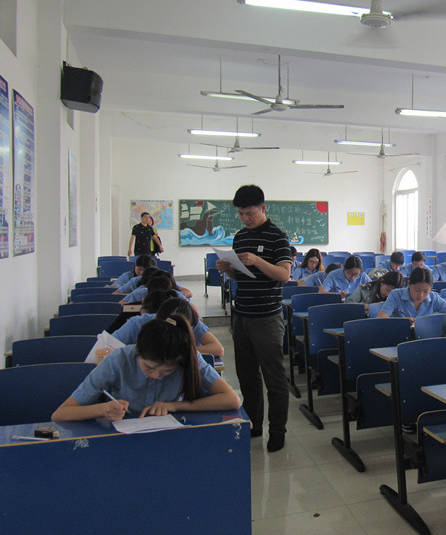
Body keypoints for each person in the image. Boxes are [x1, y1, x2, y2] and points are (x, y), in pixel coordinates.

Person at [216, 184, 292, 452]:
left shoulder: (278, 237)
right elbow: (240, 276)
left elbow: (284, 275)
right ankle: (254, 423)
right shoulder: (239, 237)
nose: (245, 219)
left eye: (249, 213)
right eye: (240, 214)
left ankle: (278, 430)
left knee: (274, 378)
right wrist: (228, 269)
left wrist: (258, 260)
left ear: (263, 208)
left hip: (267, 318)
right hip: (242, 315)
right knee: (246, 376)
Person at [51, 316, 240, 421]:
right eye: (149, 368)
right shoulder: (118, 360)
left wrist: (174, 405)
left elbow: (232, 400)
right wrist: (102, 409)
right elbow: (60, 414)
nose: (156, 376)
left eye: (168, 371)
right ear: (138, 352)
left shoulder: (189, 358)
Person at [378, 267, 446, 321]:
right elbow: (381, 318)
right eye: (417, 290)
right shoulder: (396, 295)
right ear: (409, 284)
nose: (421, 295)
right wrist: (401, 322)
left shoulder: (433, 297)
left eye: (426, 291)